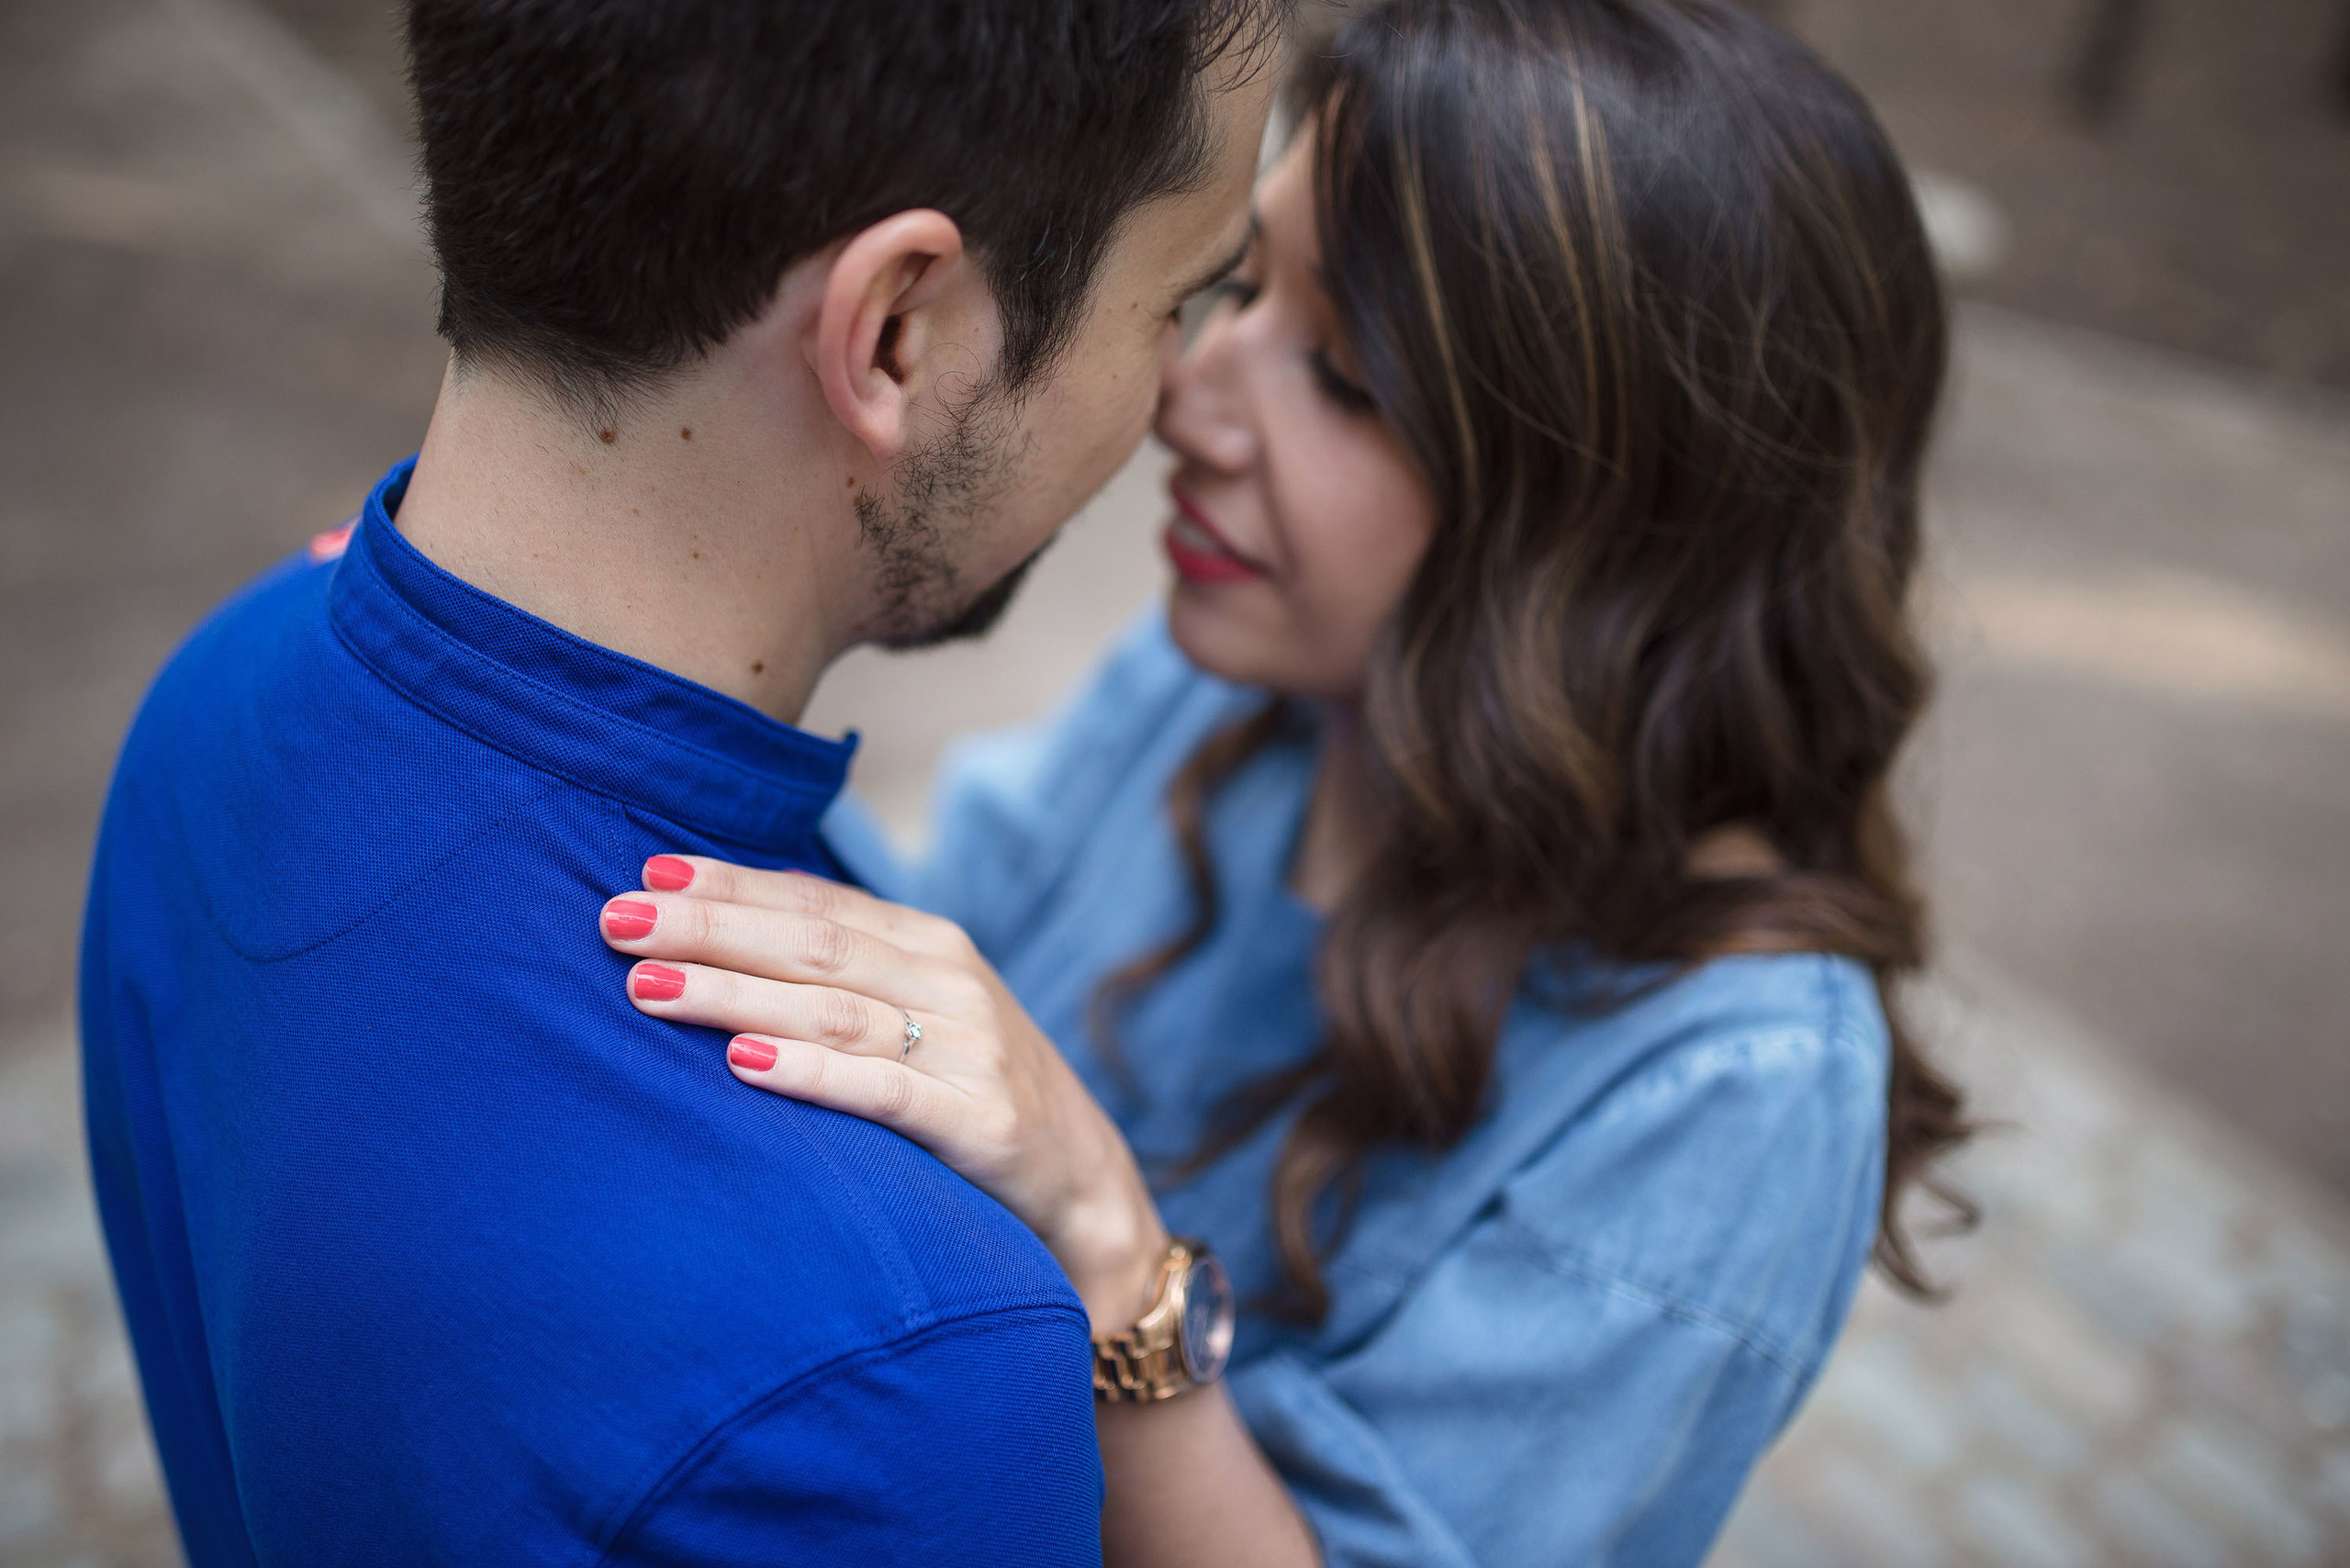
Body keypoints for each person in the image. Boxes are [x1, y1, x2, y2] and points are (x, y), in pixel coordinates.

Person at [587, 0, 1970, 1562]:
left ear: (1625, 530)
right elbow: (904, 973)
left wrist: (1111, 1249)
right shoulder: (1235, 683)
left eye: (1351, 378)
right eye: (1238, 287)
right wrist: (592, 647)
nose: (1192, 398)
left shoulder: (1737, 1085)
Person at [78, 1, 1281, 1562]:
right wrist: (1129, 1296)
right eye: (1179, 300)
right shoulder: (897, 1368)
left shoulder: (215, 703)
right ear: (899, 330)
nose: (1184, 398)